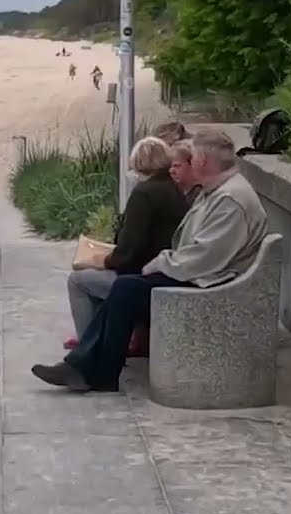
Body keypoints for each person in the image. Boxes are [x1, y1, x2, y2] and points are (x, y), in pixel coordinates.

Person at [32, 127, 268, 394]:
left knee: (125, 288)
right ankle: (86, 366)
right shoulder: (219, 191)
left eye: (191, 158)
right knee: (126, 287)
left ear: (201, 160)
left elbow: (203, 257)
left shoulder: (230, 199)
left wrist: (160, 262)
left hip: (214, 284)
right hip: (208, 275)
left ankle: (97, 373)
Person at [65, 136, 188, 343]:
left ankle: (88, 345)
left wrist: (103, 260)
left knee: (78, 281)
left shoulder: (144, 193)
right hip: (164, 268)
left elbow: (130, 247)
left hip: (142, 273)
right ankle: (107, 337)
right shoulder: (173, 188)